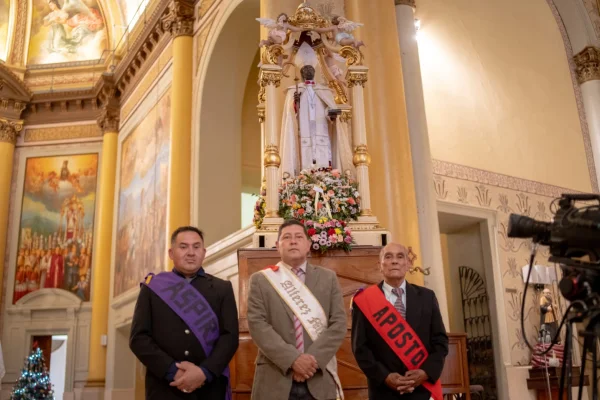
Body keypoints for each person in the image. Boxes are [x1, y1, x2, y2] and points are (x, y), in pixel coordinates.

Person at [130, 226, 239, 399]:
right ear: (171, 253)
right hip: (165, 388)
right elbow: (139, 338)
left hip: (209, 388)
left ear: (203, 252)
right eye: (183, 247)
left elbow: (230, 337)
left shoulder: (222, 288)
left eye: (196, 247)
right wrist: (173, 371)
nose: (190, 252)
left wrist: (204, 372)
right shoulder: (153, 288)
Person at [247, 219, 346, 400]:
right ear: (278, 246)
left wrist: (310, 362)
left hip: (318, 376)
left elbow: (338, 324)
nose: (293, 241)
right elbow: (257, 325)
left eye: (299, 237)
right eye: (287, 237)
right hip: (275, 378)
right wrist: (293, 360)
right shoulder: (261, 280)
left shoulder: (328, 278)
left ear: (308, 245)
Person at [351, 243, 448, 400]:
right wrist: (385, 377)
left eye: (400, 256)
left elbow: (440, 341)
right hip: (383, 391)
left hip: (422, 390)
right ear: (380, 265)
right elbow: (360, 348)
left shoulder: (427, 297)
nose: (394, 261)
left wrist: (426, 373)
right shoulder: (364, 301)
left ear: (408, 264)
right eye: (388, 257)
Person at [280, 65, 354, 178]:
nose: (308, 73)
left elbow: (329, 109)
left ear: (314, 73)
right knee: (305, 154)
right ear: (302, 75)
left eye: (310, 71)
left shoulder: (324, 90)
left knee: (323, 153)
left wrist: (331, 114)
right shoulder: (294, 91)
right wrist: (295, 103)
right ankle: (305, 179)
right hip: (304, 131)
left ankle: (325, 178)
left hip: (321, 130)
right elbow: (290, 115)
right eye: (306, 71)